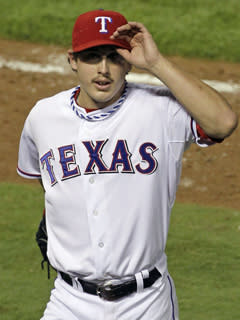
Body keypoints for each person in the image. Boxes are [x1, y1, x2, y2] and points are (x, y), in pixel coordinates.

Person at [17, 9, 238, 320]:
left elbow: (223, 122)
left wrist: (157, 64)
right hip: (69, 302)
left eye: (115, 57)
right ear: (72, 60)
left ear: (129, 62)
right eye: (92, 57)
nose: (103, 69)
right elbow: (47, 182)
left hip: (146, 303)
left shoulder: (162, 111)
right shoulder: (43, 117)